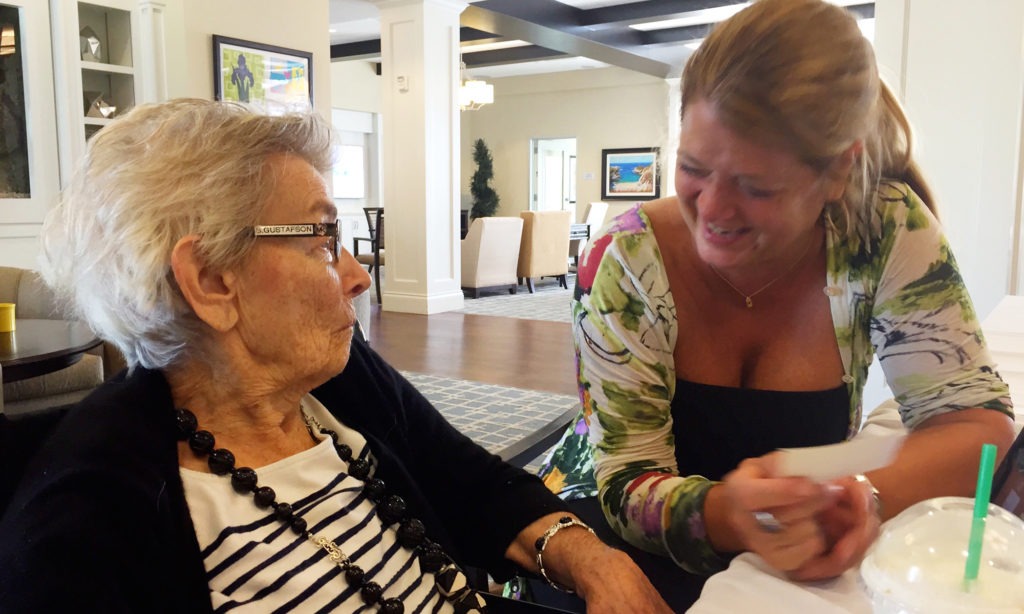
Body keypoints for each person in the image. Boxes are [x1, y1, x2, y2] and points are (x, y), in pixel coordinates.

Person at [0, 99, 671, 614]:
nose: (356, 274)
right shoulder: (85, 525)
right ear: (210, 280)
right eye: (323, 241)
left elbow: (471, 482)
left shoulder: (340, 381)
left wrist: (592, 560)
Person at [538, 0, 1016, 607]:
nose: (711, 211)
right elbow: (626, 482)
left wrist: (863, 499)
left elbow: (973, 420)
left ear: (837, 173)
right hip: (615, 542)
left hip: (792, 560)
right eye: (693, 168)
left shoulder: (883, 230)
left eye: (755, 187)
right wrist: (732, 517)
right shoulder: (625, 259)